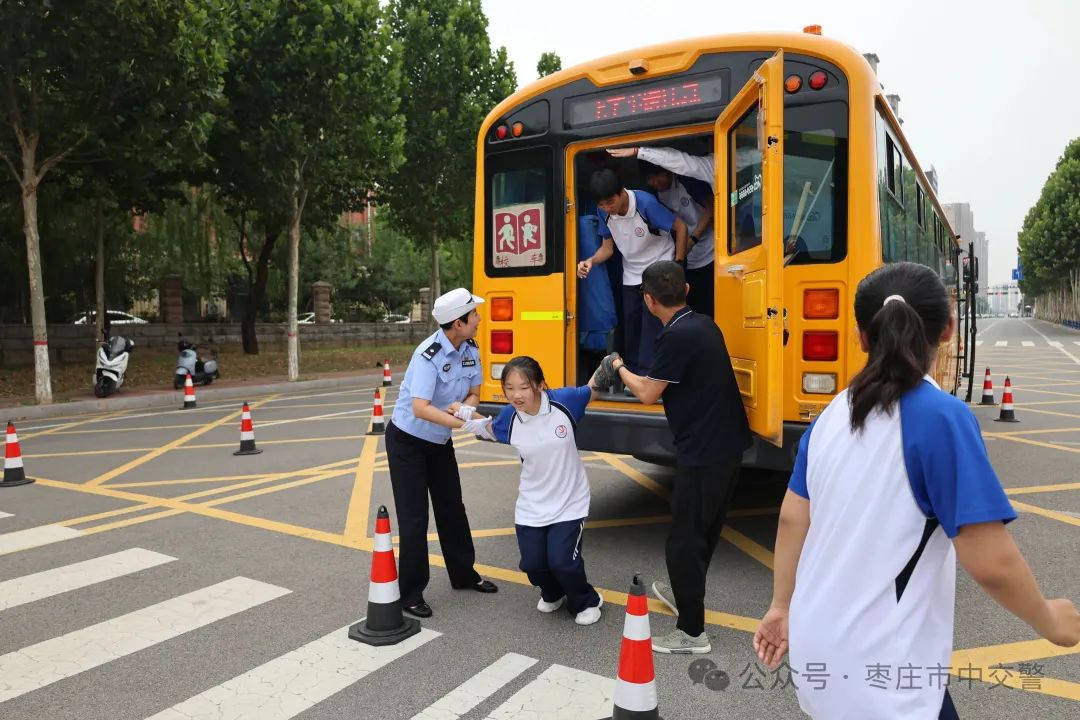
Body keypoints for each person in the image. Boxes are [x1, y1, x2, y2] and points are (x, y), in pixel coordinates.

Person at [752, 262, 1080, 719]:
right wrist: (1050, 620)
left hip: (817, 652)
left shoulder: (831, 415)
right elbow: (991, 561)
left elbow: (792, 519)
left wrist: (780, 606)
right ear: (948, 330)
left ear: (860, 337)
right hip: (884, 676)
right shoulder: (940, 417)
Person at [604, 260, 752, 653]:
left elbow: (647, 393)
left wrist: (617, 366)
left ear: (648, 301)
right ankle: (687, 595)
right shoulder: (702, 324)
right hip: (725, 446)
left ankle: (691, 632)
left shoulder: (676, 336)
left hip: (704, 452)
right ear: (686, 291)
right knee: (702, 532)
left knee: (684, 542)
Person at [469, 356, 609, 626]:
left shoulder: (564, 402)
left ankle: (586, 599)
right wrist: (464, 414)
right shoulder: (510, 416)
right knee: (532, 564)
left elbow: (593, 388)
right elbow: (490, 429)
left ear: (540, 385)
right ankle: (553, 592)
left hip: (570, 500)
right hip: (532, 503)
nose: (516, 395)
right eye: (509, 388)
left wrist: (610, 364)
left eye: (523, 387)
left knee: (562, 562)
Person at [386, 287, 499, 618]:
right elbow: (420, 408)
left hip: (438, 441)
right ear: (458, 323)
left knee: (452, 507)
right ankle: (410, 593)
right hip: (408, 441)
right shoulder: (428, 355)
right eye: (474, 314)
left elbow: (475, 391)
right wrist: (464, 424)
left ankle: (463, 574)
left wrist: (466, 408)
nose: (479, 319)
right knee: (414, 517)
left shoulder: (470, 349)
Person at [576, 168, 688, 376]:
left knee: (652, 324)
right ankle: (634, 375)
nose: (607, 208)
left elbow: (681, 227)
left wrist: (678, 265)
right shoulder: (604, 213)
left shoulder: (645, 204)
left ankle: (650, 375)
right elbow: (607, 249)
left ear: (621, 192)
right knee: (631, 323)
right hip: (632, 272)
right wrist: (589, 261)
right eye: (601, 205)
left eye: (610, 202)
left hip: (659, 265)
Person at [639, 159, 715, 315]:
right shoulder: (653, 196)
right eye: (650, 179)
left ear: (667, 169)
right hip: (687, 259)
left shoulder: (686, 180)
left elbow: (711, 209)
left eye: (658, 176)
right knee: (695, 307)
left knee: (714, 304)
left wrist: (692, 240)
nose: (655, 182)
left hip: (711, 251)